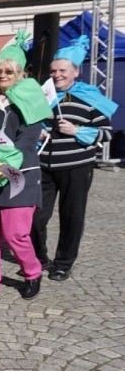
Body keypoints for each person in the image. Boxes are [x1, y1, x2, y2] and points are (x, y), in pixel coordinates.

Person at [0, 31, 52, 304]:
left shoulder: (29, 101)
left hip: (19, 177)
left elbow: (27, 142)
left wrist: (5, 165)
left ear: (20, 74)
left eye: (9, 71)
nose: (2, 75)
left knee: (16, 234)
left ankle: (32, 271)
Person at [31, 35, 119, 281]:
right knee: (36, 216)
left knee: (71, 215)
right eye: (53, 70)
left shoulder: (90, 98)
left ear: (76, 72)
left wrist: (78, 130)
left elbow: (108, 133)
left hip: (76, 167)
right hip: (43, 166)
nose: (57, 74)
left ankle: (63, 263)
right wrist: (37, 130)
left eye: (62, 70)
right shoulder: (44, 97)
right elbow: (29, 125)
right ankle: (38, 258)